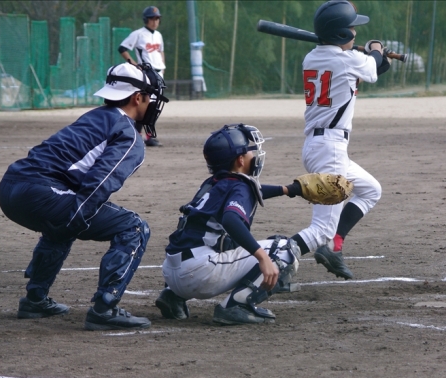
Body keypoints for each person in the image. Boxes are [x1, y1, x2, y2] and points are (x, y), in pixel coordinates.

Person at [0, 62, 169, 331]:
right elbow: (100, 182)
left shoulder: (96, 115)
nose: (152, 104)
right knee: (134, 227)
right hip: (39, 191)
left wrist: (70, 220)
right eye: (150, 98)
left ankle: (35, 300)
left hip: (11, 187)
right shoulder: (128, 135)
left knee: (64, 220)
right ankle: (105, 308)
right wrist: (75, 218)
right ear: (137, 98)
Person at [154, 124, 303, 325]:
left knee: (216, 238)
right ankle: (236, 306)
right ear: (240, 160)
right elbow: (231, 219)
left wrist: (288, 189)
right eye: (250, 151)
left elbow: (253, 191)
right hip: (199, 273)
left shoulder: (212, 184)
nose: (254, 155)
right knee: (285, 249)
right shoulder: (240, 187)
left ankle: (173, 297)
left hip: (172, 274)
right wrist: (263, 258)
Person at [288, 0, 390, 280]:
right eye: (352, 29)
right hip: (329, 149)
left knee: (370, 190)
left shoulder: (312, 57)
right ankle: (275, 260)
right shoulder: (347, 59)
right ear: (341, 34)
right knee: (320, 229)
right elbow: (373, 65)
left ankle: (334, 246)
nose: (355, 33)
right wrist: (376, 49)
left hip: (323, 147)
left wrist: (375, 60)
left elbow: (365, 73)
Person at [119, 5, 166, 147]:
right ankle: (137, 135)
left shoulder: (158, 35)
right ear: (146, 19)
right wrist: (135, 65)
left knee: (155, 106)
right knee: (145, 105)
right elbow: (122, 48)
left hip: (159, 73)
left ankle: (149, 136)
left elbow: (161, 51)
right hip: (147, 73)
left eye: (157, 18)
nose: (155, 21)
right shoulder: (138, 34)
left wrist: (163, 65)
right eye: (152, 18)